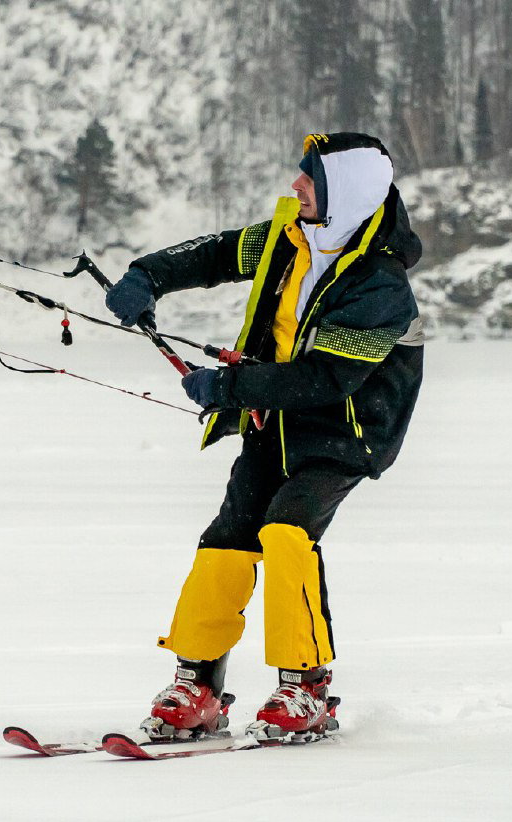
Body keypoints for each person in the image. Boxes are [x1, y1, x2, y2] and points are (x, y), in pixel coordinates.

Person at [104, 132, 424, 741]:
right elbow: (218, 254)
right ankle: (196, 684)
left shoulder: (381, 284)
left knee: (287, 528)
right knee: (228, 535)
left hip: (347, 429)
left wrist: (230, 389)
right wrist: (148, 276)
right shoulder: (288, 235)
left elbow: (326, 377)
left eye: (311, 179)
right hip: (273, 420)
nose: (297, 186)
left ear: (348, 193)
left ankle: (305, 689)